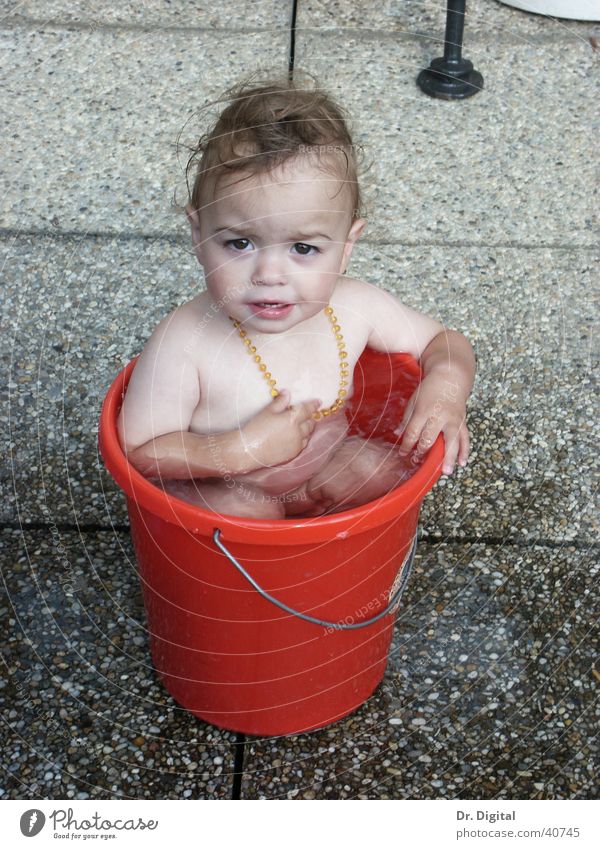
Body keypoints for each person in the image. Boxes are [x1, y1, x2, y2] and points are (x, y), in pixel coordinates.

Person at [118, 75, 476, 519]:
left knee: (380, 469)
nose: (269, 275)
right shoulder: (185, 340)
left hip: (324, 463)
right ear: (198, 233)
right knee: (246, 510)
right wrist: (239, 450)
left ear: (346, 246)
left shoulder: (355, 308)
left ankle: (341, 558)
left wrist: (446, 387)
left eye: (303, 249)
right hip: (227, 486)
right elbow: (140, 451)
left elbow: (442, 341)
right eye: (239, 243)